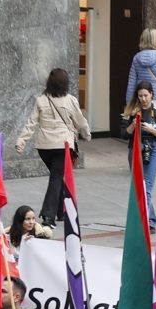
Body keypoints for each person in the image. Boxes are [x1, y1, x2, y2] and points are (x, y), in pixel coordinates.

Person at [15, 68, 90, 228]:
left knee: (57, 176)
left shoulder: (41, 99)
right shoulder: (70, 100)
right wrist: (87, 134)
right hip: (63, 146)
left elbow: (31, 123)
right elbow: (80, 121)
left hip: (44, 147)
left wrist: (21, 140)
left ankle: (62, 211)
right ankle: (48, 216)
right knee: (56, 178)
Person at [122, 81, 156, 206]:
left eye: (145, 95)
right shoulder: (131, 112)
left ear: (151, 94)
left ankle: (146, 222)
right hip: (136, 147)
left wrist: (151, 130)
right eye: (140, 96)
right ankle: (151, 220)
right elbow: (123, 134)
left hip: (153, 148)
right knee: (138, 187)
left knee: (147, 187)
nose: (143, 99)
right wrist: (133, 125)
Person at [124, 28, 156, 114]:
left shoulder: (136, 58)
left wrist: (129, 103)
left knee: (141, 126)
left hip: (141, 100)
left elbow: (131, 84)